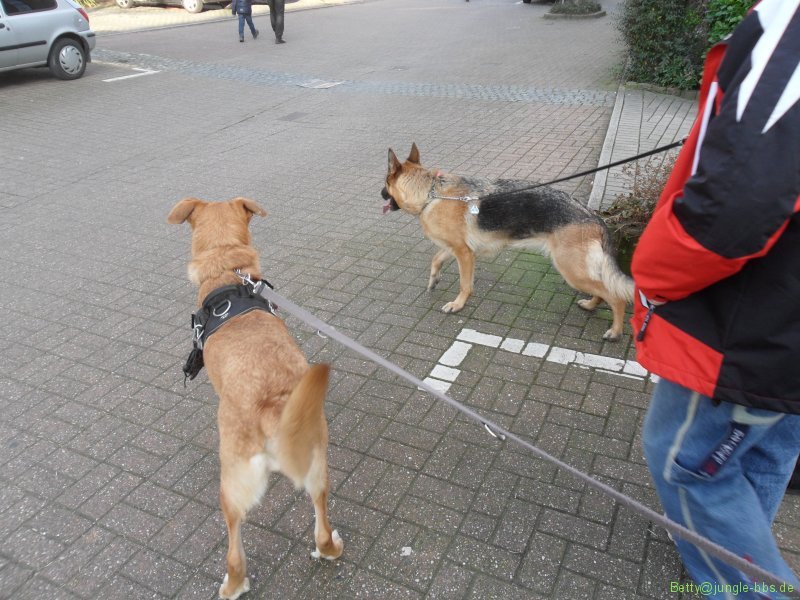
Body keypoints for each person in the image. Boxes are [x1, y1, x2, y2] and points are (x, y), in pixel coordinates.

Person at [631, 0, 800, 597]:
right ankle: (728, 548)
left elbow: (736, 205)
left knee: (684, 464)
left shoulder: (791, 28)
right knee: (767, 444)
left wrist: (653, 278)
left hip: (752, 321)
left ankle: (740, 584)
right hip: (784, 328)